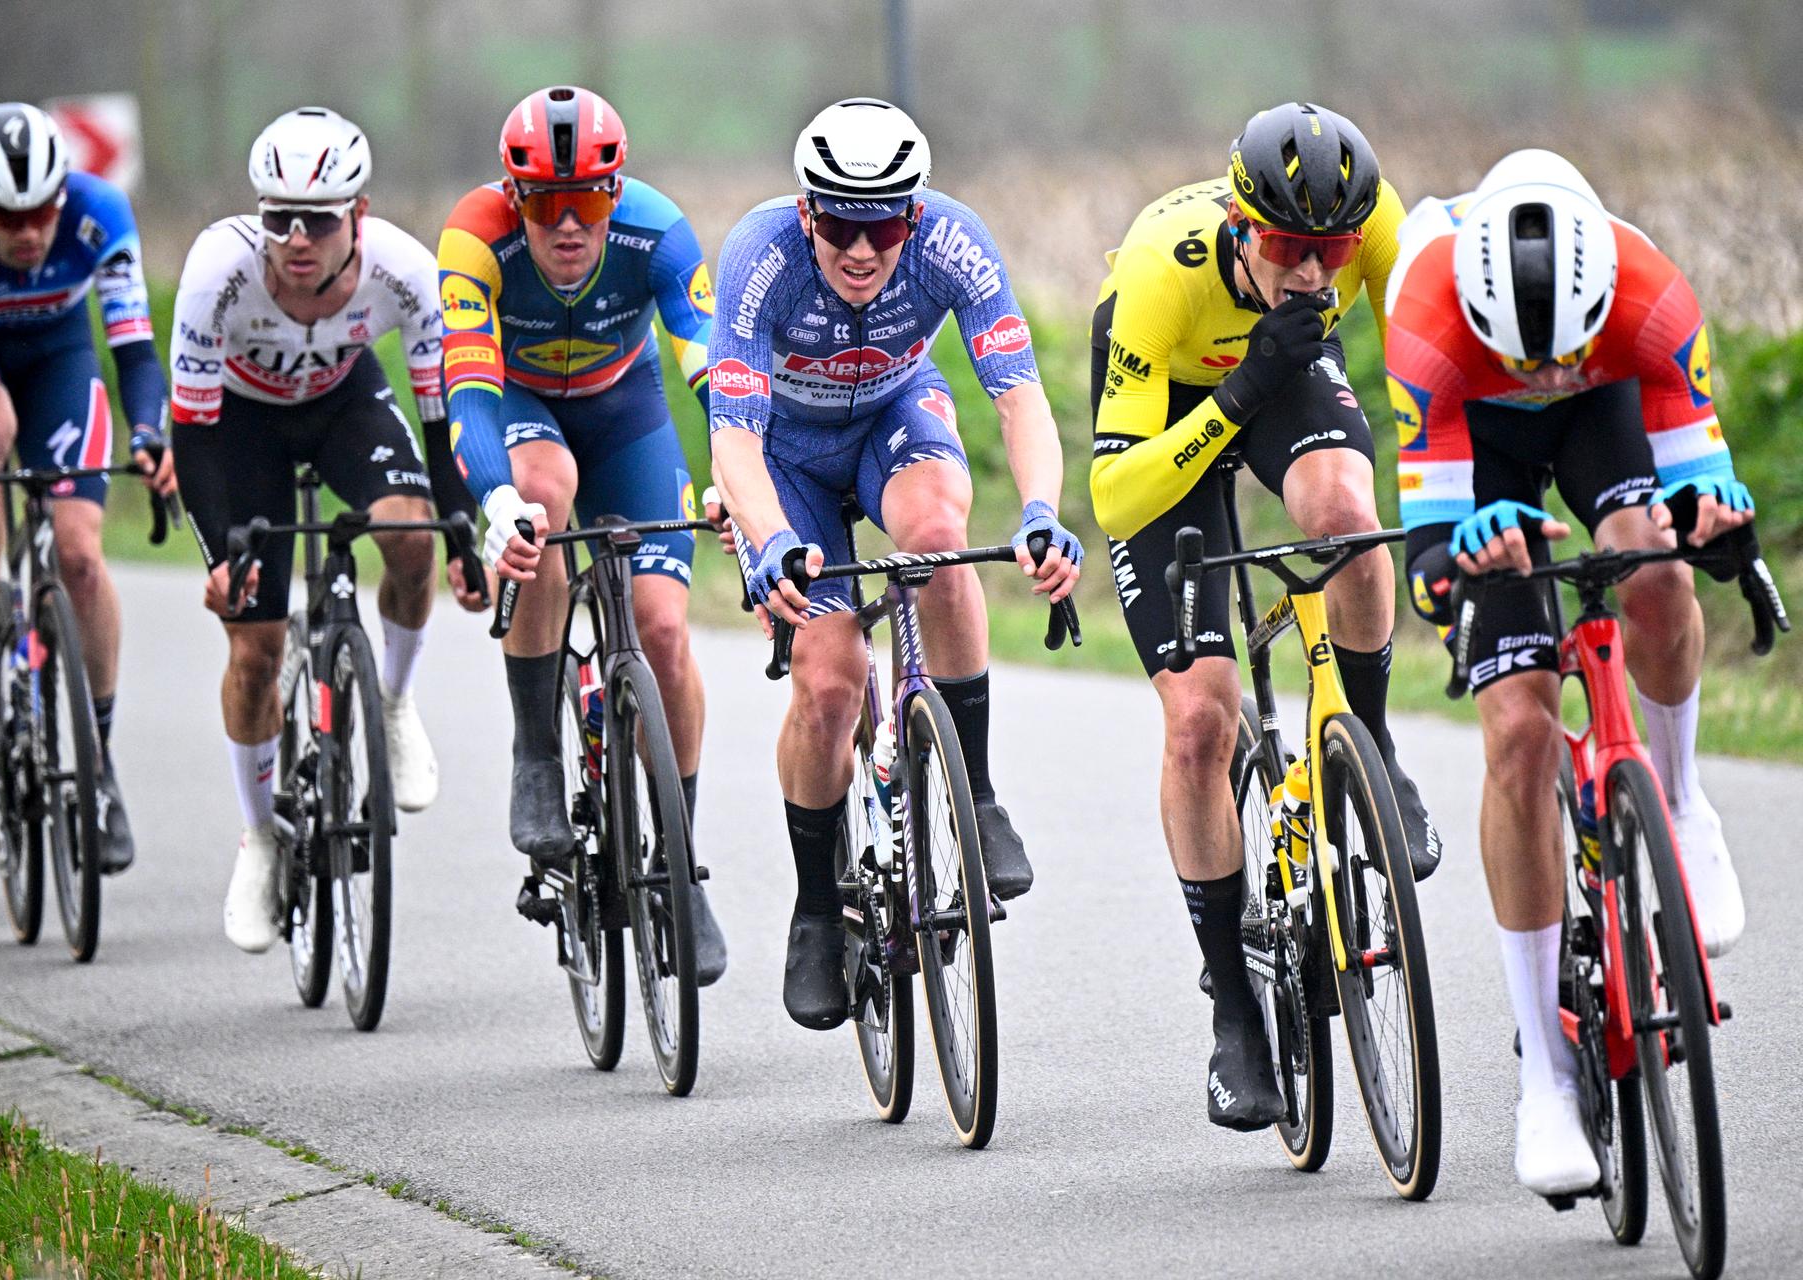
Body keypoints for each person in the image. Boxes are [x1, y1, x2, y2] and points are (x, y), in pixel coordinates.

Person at [1385, 148, 1754, 1195]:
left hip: (1609, 412)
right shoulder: (1425, 309)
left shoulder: (1650, 295)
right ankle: (1543, 1073)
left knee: (1658, 572)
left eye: (1563, 355)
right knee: (1517, 731)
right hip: (1476, 448)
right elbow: (1430, 570)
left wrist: (1717, 527)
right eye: (1526, 359)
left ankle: (1680, 799)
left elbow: (1704, 496)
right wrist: (1461, 559)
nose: (1545, 376)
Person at [1087, 102, 1439, 1131]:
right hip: (1176, 408)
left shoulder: (1374, 228)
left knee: (1350, 521)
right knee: (1201, 717)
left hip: (1289, 373)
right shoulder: (1161, 269)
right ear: (1243, 228)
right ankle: (1235, 1013)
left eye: (1334, 252)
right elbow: (1116, 498)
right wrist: (1242, 388)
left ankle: (1369, 743)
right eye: (1289, 248)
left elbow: (1432, 366)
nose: (1316, 273)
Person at [708, 97, 1082, 1030]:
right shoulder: (760, 257)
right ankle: (813, 909)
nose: (861, 250)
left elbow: (1021, 398)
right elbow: (735, 440)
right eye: (839, 225)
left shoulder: (953, 241)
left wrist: (1042, 511)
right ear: (806, 212)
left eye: (882, 228)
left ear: (913, 216)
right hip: (785, 456)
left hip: (894, 418)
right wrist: (770, 540)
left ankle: (977, 796)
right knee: (830, 680)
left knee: (938, 536)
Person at [170, 106, 479, 952]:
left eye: (319, 220)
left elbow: (440, 419)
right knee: (255, 650)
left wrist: (461, 536)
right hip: (241, 426)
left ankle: (395, 702)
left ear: (359, 215)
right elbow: (192, 433)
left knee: (411, 535)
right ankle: (260, 837)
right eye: (279, 219)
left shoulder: (405, 272)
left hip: (344, 402)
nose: (297, 239)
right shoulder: (216, 273)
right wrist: (222, 554)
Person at [440, 85, 727, 984]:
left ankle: (680, 859)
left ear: (616, 193)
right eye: (546, 204)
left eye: (589, 201)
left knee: (664, 630)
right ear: (514, 197)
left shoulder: (658, 232)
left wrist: (736, 472)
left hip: (625, 410)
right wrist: (496, 504)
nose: (569, 225)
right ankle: (536, 751)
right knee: (542, 493)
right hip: (521, 405)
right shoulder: (473, 239)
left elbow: (710, 363)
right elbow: (468, 393)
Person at [0, 101, 173, 872]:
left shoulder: (99, 212)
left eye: (42, 211)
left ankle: (99, 765)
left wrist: (149, 434)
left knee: (80, 556)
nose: (29, 233)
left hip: (59, 359)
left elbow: (135, 355)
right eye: (7, 218)